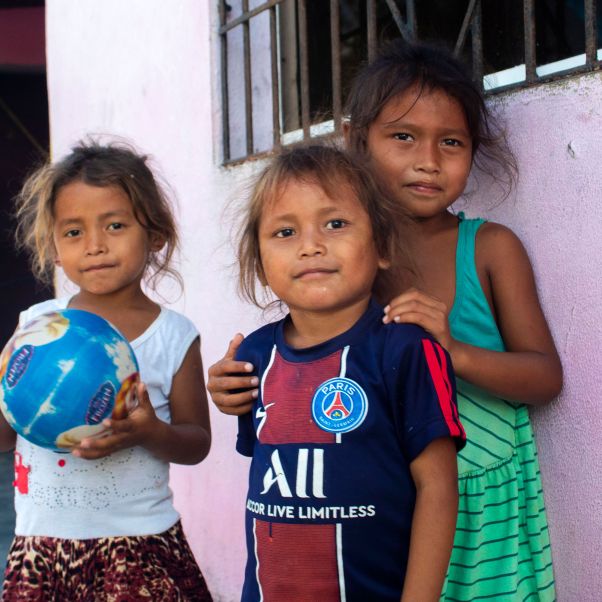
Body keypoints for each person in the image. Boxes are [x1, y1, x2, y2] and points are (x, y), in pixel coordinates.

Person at [208, 42, 562, 601]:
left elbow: (545, 378)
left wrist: (452, 350)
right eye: (403, 137)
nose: (428, 160)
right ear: (357, 139)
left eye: (452, 142)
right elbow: (304, 362)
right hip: (380, 512)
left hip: (481, 504)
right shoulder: (337, 254)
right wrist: (237, 387)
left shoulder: (489, 248)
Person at [229, 144, 466, 601]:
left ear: (382, 247)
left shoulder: (407, 349)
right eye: (284, 231)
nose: (311, 245)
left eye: (335, 224)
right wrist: (227, 391)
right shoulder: (255, 357)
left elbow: (437, 487)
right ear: (259, 262)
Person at [0, 141, 213, 601]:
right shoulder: (37, 329)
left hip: (138, 548)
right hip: (41, 551)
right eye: (73, 232)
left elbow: (197, 443)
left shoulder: (173, 335)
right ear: (54, 247)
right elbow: (3, 435)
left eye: (115, 225)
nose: (95, 246)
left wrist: (148, 432)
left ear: (155, 234)